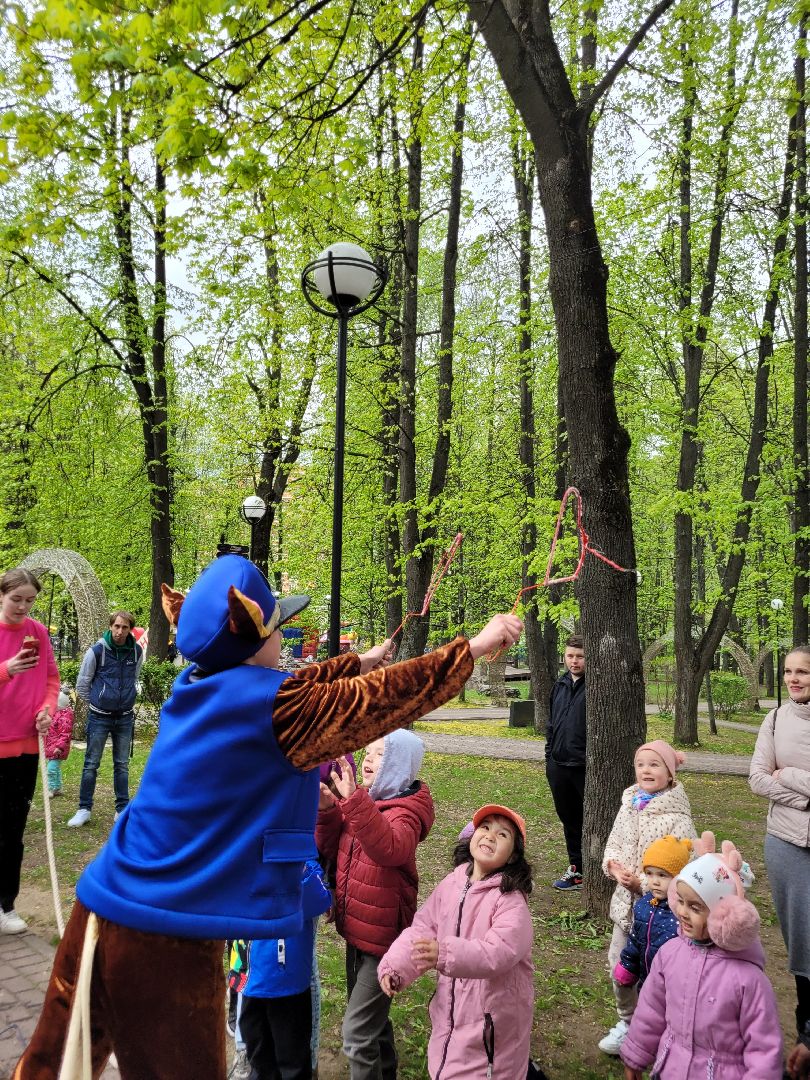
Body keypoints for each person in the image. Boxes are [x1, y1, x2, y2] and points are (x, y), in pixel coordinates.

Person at [16, 554, 523, 1079]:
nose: (283, 637)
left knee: (49, 1064)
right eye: (278, 626)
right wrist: (474, 647)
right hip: (164, 931)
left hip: (103, 899)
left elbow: (290, 686)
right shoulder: (276, 708)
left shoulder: (198, 681)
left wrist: (358, 662)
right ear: (253, 637)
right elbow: (381, 701)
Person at [377, 804, 534, 1079]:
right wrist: (396, 966)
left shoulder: (511, 901)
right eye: (485, 827)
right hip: (451, 1009)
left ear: (512, 856)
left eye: (502, 834)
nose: (490, 836)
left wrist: (445, 953)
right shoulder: (453, 882)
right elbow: (424, 927)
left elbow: (498, 952)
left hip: (492, 1023)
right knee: (447, 1060)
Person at [315, 730, 433, 1080]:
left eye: (381, 754)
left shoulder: (406, 812)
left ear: (400, 764)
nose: (368, 759)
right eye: (367, 752)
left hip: (384, 941)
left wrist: (352, 802)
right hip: (358, 930)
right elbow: (334, 847)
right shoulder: (365, 799)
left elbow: (390, 848)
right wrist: (328, 812)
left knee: (356, 1034)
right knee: (372, 1021)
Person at [620, 833, 783, 1080]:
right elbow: (651, 1010)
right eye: (680, 901)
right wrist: (636, 1054)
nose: (682, 912)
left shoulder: (748, 980)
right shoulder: (670, 954)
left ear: (724, 915)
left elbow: (764, 1050)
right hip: (670, 1069)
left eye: (695, 907)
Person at [598, 739, 697, 1056]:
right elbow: (614, 843)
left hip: (661, 916)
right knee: (619, 965)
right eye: (641, 765)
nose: (646, 770)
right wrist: (613, 866)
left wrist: (641, 883)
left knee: (657, 975)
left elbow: (687, 874)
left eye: (654, 765)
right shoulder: (628, 805)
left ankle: (661, 1029)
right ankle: (628, 1022)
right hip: (624, 910)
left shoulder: (678, 818)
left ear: (670, 773)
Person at [749, 643, 810, 1064]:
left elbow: (772, 775)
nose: (793, 679)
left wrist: (786, 775)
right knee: (800, 945)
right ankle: (806, 1030)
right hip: (785, 843)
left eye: (802, 672)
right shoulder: (774, 719)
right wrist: (805, 798)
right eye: (788, 671)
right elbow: (756, 778)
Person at [229, 860, 331, 1080]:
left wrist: (295, 868)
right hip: (249, 979)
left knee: (292, 1061)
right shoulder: (240, 860)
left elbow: (320, 899)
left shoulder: (304, 865)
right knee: (258, 1057)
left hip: (286, 983)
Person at [0, 568, 59, 935]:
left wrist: (47, 710)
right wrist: (7, 669)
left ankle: (6, 905)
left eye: (30, 600)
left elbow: (51, 679)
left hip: (25, 746)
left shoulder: (37, 632)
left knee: (13, 830)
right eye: (16, 599)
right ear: (1, 596)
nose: (23, 606)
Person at [67, 610, 144, 827]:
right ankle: (84, 809)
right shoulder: (97, 651)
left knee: (122, 765)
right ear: (110, 626)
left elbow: (135, 677)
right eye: (116, 626)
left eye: (125, 627)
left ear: (130, 630)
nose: (120, 631)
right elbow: (83, 684)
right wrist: (98, 701)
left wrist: (127, 698)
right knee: (91, 764)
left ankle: (122, 809)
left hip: (125, 718)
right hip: (99, 717)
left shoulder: (136, 652)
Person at [611, 835, 692, 990]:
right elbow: (635, 940)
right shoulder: (643, 905)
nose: (655, 881)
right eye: (649, 873)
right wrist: (628, 966)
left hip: (675, 988)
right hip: (646, 984)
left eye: (662, 875)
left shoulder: (682, 911)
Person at [545, 634, 586, 889]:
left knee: (589, 818)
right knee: (569, 819)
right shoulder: (559, 685)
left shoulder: (596, 686)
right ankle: (577, 868)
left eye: (580, 656)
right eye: (570, 656)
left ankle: (600, 867)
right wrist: (549, 758)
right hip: (558, 765)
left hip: (583, 766)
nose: (574, 661)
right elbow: (551, 724)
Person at [45, 689, 75, 798]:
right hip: (52, 746)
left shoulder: (64, 717)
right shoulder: (55, 713)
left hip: (58, 748)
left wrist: (59, 747)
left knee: (51, 769)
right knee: (55, 768)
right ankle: (57, 788)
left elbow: (65, 734)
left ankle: (51, 788)